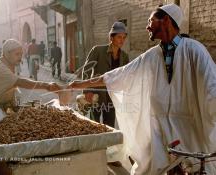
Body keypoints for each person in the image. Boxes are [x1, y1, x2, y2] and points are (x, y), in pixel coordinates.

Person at [69, 4, 216, 174]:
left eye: (151, 21)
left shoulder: (194, 50)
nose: (147, 26)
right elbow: (119, 75)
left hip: (190, 135)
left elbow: (212, 86)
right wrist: (78, 84)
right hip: (158, 136)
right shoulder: (152, 55)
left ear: (166, 20)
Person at [0, 39, 60, 113]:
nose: (20, 57)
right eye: (17, 54)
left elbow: (9, 91)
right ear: (7, 53)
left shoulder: (8, 66)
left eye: (21, 54)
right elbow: (20, 82)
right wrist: (47, 86)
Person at [79, 21, 129, 128]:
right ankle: (96, 145)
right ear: (111, 38)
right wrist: (87, 91)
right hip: (96, 95)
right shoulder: (98, 50)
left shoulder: (124, 56)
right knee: (94, 126)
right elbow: (86, 70)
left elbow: (126, 76)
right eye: (119, 37)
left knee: (109, 127)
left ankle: (106, 145)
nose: (122, 40)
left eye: (124, 37)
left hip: (112, 97)